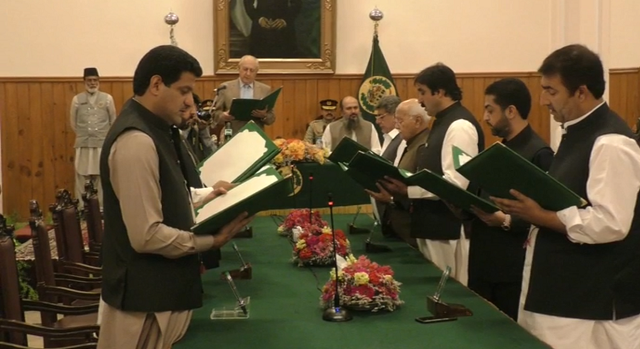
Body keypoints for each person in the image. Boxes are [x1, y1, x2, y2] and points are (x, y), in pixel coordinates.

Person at [96, 45, 253, 349]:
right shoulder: (136, 141)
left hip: (158, 294)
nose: (189, 101)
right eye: (183, 90)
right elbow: (147, 235)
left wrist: (209, 197)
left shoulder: (158, 130)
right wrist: (210, 241)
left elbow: (164, 198)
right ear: (156, 85)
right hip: (142, 304)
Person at [491, 44, 640, 349]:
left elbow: (610, 223)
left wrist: (540, 215)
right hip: (566, 294)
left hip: (588, 301)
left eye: (551, 91)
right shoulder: (576, 131)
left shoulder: (610, 142)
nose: (543, 100)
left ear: (581, 92)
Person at [380, 63, 484, 286]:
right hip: (432, 224)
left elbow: (456, 184)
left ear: (440, 92)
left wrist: (409, 190)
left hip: (448, 228)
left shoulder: (460, 126)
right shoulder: (443, 122)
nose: (419, 100)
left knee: (449, 291)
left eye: (423, 92)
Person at [466, 78, 554, 321]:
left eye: (490, 109)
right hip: (484, 263)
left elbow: (549, 214)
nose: (485, 117)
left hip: (512, 269)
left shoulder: (539, 153)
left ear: (511, 111)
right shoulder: (499, 151)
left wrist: (506, 220)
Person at [367, 99, 429, 246]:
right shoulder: (409, 143)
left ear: (418, 121)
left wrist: (391, 199)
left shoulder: (424, 147)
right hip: (400, 226)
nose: (396, 125)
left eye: (400, 121)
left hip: (414, 230)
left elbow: (425, 193)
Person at [70, 67, 116, 208]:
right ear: (84, 81)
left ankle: (101, 208)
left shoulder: (107, 99)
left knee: (101, 176)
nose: (92, 83)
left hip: (101, 144)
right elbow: (73, 123)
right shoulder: (77, 100)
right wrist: (84, 134)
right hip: (83, 144)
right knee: (82, 175)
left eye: (95, 80)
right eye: (89, 80)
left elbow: (113, 120)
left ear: (99, 81)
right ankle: (82, 208)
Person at [213, 55, 276, 135]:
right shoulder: (225, 88)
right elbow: (215, 114)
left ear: (256, 72)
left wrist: (264, 115)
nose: (248, 73)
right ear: (239, 69)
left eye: (252, 70)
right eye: (245, 69)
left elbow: (271, 118)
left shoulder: (265, 90)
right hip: (232, 135)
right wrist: (223, 116)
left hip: (256, 136)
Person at [179, 93, 217, 162]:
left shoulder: (196, 129)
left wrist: (203, 131)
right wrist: (187, 126)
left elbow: (213, 155)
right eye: (187, 108)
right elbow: (180, 149)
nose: (192, 112)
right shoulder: (173, 129)